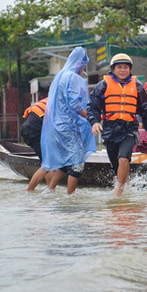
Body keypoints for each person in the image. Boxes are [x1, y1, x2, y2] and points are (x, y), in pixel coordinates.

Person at [88, 53, 147, 196]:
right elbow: (92, 106)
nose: (123, 70)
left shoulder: (138, 87)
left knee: (123, 158)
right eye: (119, 67)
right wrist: (95, 122)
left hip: (129, 129)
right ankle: (126, 185)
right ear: (113, 69)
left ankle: (118, 192)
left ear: (130, 69)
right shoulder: (103, 85)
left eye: (126, 67)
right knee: (117, 167)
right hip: (110, 130)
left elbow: (146, 111)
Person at [30, 47, 95, 194]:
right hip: (69, 127)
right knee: (77, 164)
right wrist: (90, 116)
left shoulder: (60, 75)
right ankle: (70, 197)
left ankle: (50, 189)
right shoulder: (73, 77)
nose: (84, 67)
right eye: (84, 64)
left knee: (65, 161)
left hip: (56, 127)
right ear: (80, 63)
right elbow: (74, 104)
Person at [22, 98, 54, 190]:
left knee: (48, 162)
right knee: (48, 164)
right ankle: (29, 190)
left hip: (28, 129)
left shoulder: (51, 98)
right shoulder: (59, 103)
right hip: (34, 130)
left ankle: (51, 189)